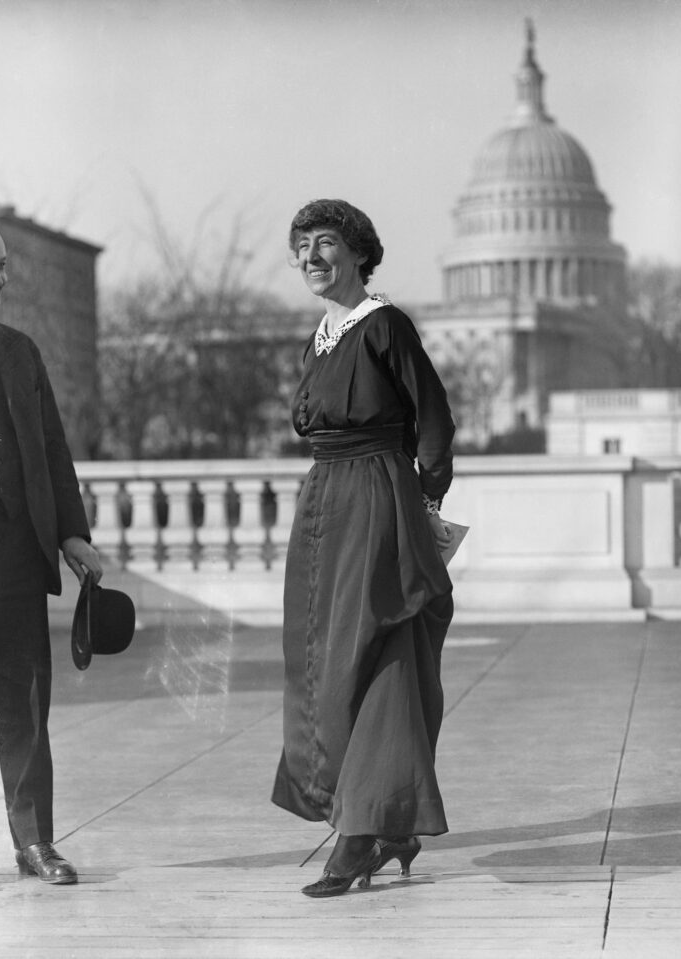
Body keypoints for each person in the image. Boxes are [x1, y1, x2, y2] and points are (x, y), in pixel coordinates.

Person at [272, 199, 456, 897]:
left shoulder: (386, 327)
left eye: (324, 244)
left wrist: (423, 500)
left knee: (379, 652)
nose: (310, 258)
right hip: (324, 504)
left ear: (358, 253)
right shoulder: (322, 334)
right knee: (329, 660)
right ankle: (382, 824)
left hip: (378, 497)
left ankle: (362, 833)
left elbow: (432, 419)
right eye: (301, 248)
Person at [0, 215, 102, 884]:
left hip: (15, 550)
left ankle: (34, 841)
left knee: (23, 700)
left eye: (0, 266)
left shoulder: (21, 352)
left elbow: (52, 449)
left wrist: (72, 533)